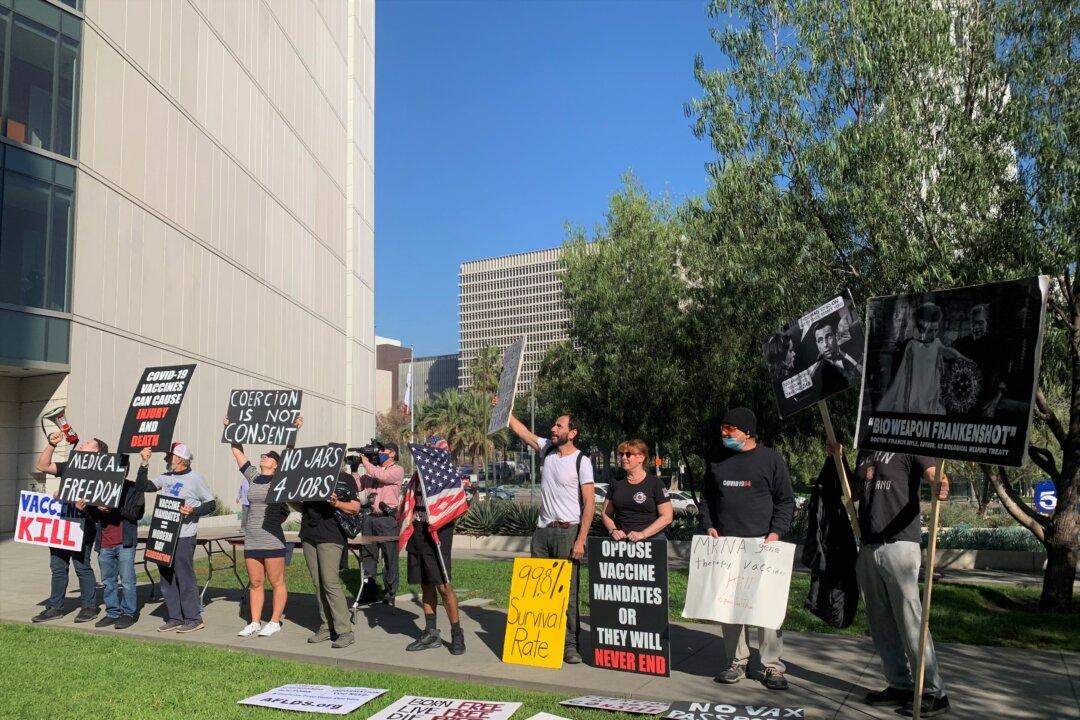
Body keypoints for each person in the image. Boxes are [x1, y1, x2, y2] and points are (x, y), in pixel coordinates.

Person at [830, 441, 951, 717]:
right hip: (869, 545)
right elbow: (856, 491)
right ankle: (900, 684)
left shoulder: (911, 443)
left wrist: (940, 483)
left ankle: (934, 691)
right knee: (880, 622)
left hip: (900, 545)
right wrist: (840, 460)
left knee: (910, 620)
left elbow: (935, 475)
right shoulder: (866, 450)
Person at [699, 407, 795, 691]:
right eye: (722, 428)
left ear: (748, 431)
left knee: (767, 608)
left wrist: (776, 532)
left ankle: (772, 667)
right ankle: (736, 662)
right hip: (726, 545)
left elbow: (785, 501)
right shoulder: (717, 461)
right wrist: (709, 525)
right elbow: (707, 498)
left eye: (730, 429)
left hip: (763, 545)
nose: (724, 433)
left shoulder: (771, 460)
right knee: (730, 608)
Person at [505, 407, 595, 664]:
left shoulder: (582, 461)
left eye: (559, 426)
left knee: (567, 592)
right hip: (542, 532)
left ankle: (570, 645)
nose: (553, 429)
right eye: (554, 426)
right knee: (539, 591)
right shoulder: (547, 450)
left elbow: (589, 503)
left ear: (572, 432)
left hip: (569, 533)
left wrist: (581, 540)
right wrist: (505, 411)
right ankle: (541, 640)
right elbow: (523, 433)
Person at [134, 442, 216, 633]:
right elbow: (142, 486)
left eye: (170, 455)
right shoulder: (166, 477)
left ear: (180, 459)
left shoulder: (195, 478)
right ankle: (175, 617)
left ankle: (194, 618)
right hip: (164, 534)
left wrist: (193, 511)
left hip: (184, 535)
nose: (166, 458)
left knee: (184, 576)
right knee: (166, 577)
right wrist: (144, 463)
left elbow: (211, 504)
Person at [226, 417, 293, 638]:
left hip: (272, 538)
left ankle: (274, 621)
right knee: (255, 582)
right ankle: (254, 622)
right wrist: (230, 429)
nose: (265, 457)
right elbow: (238, 453)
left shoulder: (281, 480)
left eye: (270, 457)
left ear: (276, 465)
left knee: (276, 581)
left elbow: (291, 457)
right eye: (264, 455)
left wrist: (293, 430)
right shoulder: (254, 477)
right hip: (252, 538)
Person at [31, 434, 107, 624]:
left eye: (89, 443)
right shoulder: (69, 465)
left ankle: (89, 607)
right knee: (57, 567)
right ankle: (55, 608)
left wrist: (72, 498)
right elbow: (42, 466)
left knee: (81, 566)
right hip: (61, 524)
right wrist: (51, 444)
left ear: (97, 452)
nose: (84, 443)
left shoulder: (101, 474)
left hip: (83, 524)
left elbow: (102, 504)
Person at [402, 436, 465, 655]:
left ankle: (457, 633)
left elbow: (457, 505)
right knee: (425, 583)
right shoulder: (416, 478)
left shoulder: (447, 475)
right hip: (417, 530)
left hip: (438, 531)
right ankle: (431, 632)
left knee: (443, 584)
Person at [878, 303, 968, 414]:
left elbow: (948, 351)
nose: (934, 334)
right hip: (916, 397)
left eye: (936, 330)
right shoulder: (912, 345)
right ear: (922, 328)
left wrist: (960, 357)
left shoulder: (936, 343)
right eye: (930, 331)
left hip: (931, 397)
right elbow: (905, 375)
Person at [84, 464, 145, 629]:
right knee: (108, 582)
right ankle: (112, 612)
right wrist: (86, 509)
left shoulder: (133, 488)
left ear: (126, 472)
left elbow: (136, 514)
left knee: (127, 581)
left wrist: (114, 507)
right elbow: (92, 518)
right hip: (105, 543)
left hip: (124, 543)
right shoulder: (100, 486)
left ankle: (128, 613)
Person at [356, 441, 403, 605]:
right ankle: (369, 591)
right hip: (369, 518)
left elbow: (382, 476)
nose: (379, 453)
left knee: (390, 557)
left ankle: (390, 592)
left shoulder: (397, 470)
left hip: (386, 519)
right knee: (368, 556)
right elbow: (357, 485)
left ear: (392, 453)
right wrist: (355, 469)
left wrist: (366, 463)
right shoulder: (371, 471)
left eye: (383, 450)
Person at [601, 439, 672, 541]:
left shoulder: (655, 483)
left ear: (641, 458)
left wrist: (643, 534)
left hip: (652, 540)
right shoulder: (616, 482)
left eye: (628, 454)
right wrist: (613, 530)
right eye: (621, 454)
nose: (623, 457)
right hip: (622, 541)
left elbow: (667, 516)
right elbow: (605, 513)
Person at [809, 318, 863, 395]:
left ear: (836, 336)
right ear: (817, 345)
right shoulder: (817, 376)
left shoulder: (853, 348)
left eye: (828, 337)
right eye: (820, 340)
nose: (825, 344)